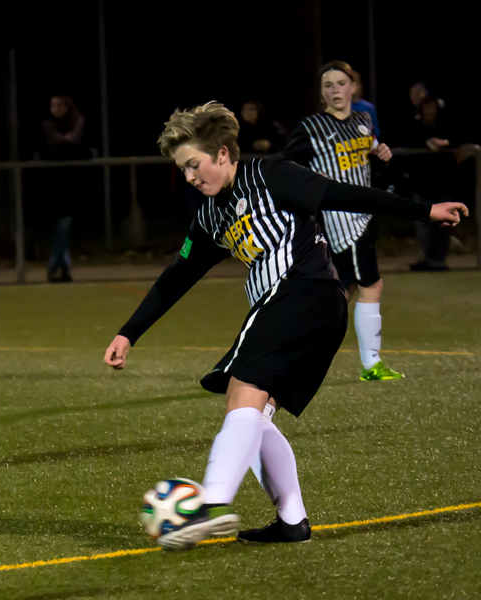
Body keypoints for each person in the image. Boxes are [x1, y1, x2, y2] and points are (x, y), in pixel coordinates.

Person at [103, 101, 465, 549]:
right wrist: (128, 332)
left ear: (221, 153)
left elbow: (341, 194)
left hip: (300, 292)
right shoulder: (210, 217)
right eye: (183, 171)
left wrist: (424, 210)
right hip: (307, 305)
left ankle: (211, 502)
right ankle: (292, 521)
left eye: (194, 165)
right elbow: (176, 278)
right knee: (255, 417)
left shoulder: (271, 175)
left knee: (243, 394)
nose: (191, 177)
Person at [284, 61, 401, 382]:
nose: (335, 90)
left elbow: (368, 152)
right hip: (342, 222)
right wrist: (311, 178)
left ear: (353, 87)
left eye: (341, 83)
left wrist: (382, 154)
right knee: (370, 285)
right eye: (328, 85)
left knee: (338, 294)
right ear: (322, 92)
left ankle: (292, 357)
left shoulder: (363, 121)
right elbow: (285, 165)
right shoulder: (312, 127)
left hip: (364, 216)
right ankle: (371, 365)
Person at [406, 96, 458, 271]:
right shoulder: (416, 127)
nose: (429, 111)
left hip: (443, 184)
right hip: (422, 185)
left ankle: (439, 260)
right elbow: (410, 139)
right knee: (423, 226)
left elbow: (459, 137)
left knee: (443, 225)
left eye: (432, 107)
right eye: (426, 108)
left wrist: (445, 142)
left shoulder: (446, 126)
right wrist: (428, 142)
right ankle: (429, 259)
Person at [40, 94, 88, 283]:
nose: (56, 108)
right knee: (60, 226)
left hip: (71, 180)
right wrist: (65, 141)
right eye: (52, 105)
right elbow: (53, 142)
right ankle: (63, 267)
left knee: (64, 224)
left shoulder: (78, 120)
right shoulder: (46, 123)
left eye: (59, 105)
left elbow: (76, 141)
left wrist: (67, 141)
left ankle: (55, 266)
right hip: (52, 180)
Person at [351, 71, 381, 138]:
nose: (353, 87)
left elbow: (376, 131)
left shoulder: (369, 107)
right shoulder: (343, 108)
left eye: (356, 83)